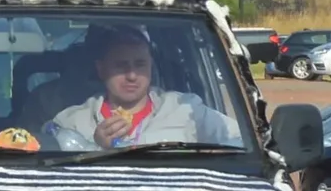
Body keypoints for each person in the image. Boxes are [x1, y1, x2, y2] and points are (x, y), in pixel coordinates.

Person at [49, 25, 241, 152]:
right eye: (121, 65)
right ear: (101, 69)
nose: (132, 75)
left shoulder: (187, 110)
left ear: (151, 66)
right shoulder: (70, 122)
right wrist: (95, 149)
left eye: (140, 64)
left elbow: (240, 141)